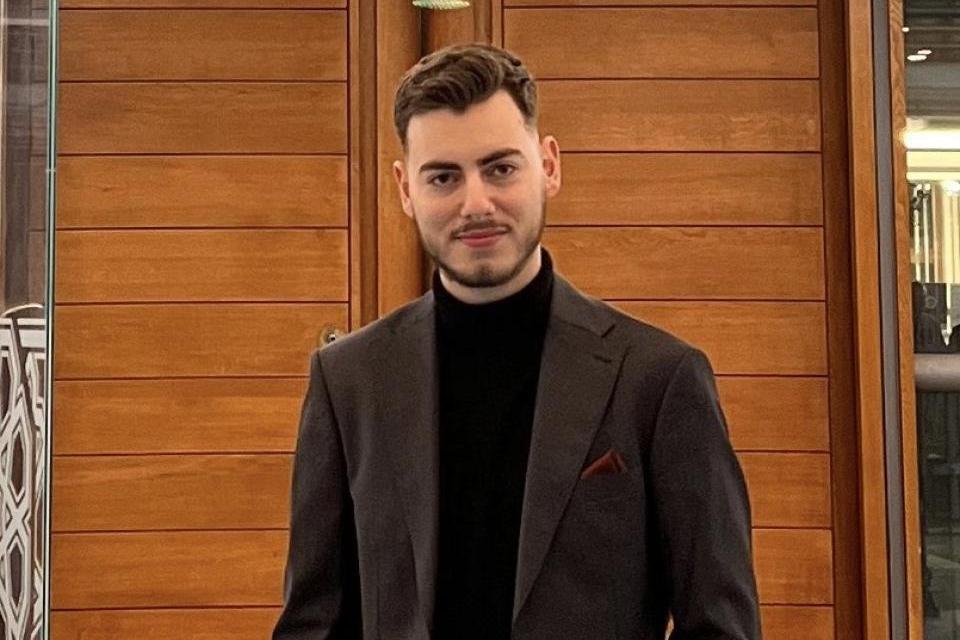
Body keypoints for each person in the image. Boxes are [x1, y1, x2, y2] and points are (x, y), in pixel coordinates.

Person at [273, 42, 760, 640]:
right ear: (405, 189)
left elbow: (719, 625)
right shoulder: (348, 381)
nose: (476, 203)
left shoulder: (659, 379)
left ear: (548, 165)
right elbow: (313, 624)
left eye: (500, 168)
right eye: (444, 177)